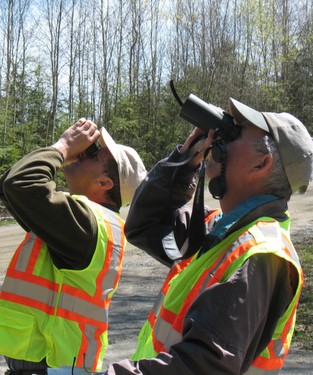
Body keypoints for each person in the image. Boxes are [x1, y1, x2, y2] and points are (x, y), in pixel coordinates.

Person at [105, 99, 313, 375]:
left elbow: (204, 365)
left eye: (235, 133)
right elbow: (144, 225)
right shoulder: (219, 228)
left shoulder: (262, 253)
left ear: (262, 163)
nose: (219, 139)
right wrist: (184, 160)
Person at [0, 118, 147, 374]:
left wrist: (64, 146)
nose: (84, 152)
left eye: (94, 154)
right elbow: (11, 187)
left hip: (52, 365)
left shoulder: (86, 222)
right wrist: (62, 154)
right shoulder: (89, 219)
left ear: (104, 183)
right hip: (55, 363)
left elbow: (21, 184)